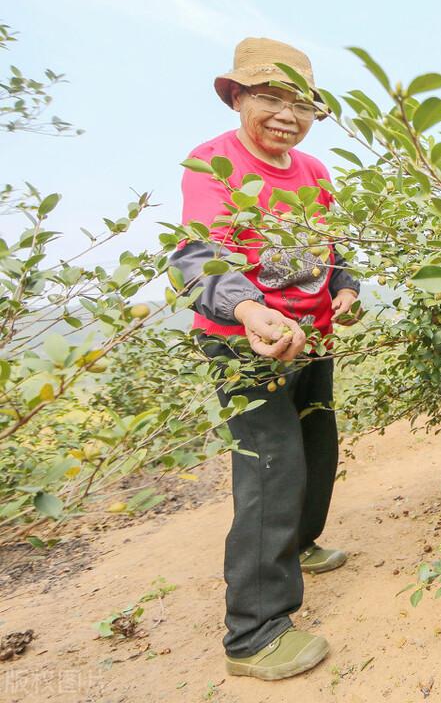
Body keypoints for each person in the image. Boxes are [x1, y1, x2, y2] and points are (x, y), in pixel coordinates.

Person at [169, 37, 360, 679]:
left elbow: (333, 249)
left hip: (313, 338)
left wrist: (346, 290)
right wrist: (251, 311)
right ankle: (253, 634)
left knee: (317, 445)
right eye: (269, 98)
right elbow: (197, 258)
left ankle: (300, 544)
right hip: (243, 341)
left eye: (299, 103)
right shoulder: (212, 162)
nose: (285, 114)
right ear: (238, 98)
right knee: (270, 468)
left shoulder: (314, 173)